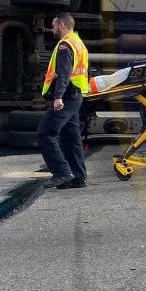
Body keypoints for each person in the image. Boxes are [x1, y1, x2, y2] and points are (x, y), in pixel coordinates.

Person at [38, 13, 90, 189]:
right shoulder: (79, 43)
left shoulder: (65, 45)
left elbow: (64, 73)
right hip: (76, 96)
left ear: (61, 25)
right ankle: (78, 177)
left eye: (53, 26)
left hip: (67, 96)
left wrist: (58, 96)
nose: (52, 29)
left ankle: (61, 173)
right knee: (71, 138)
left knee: (45, 133)